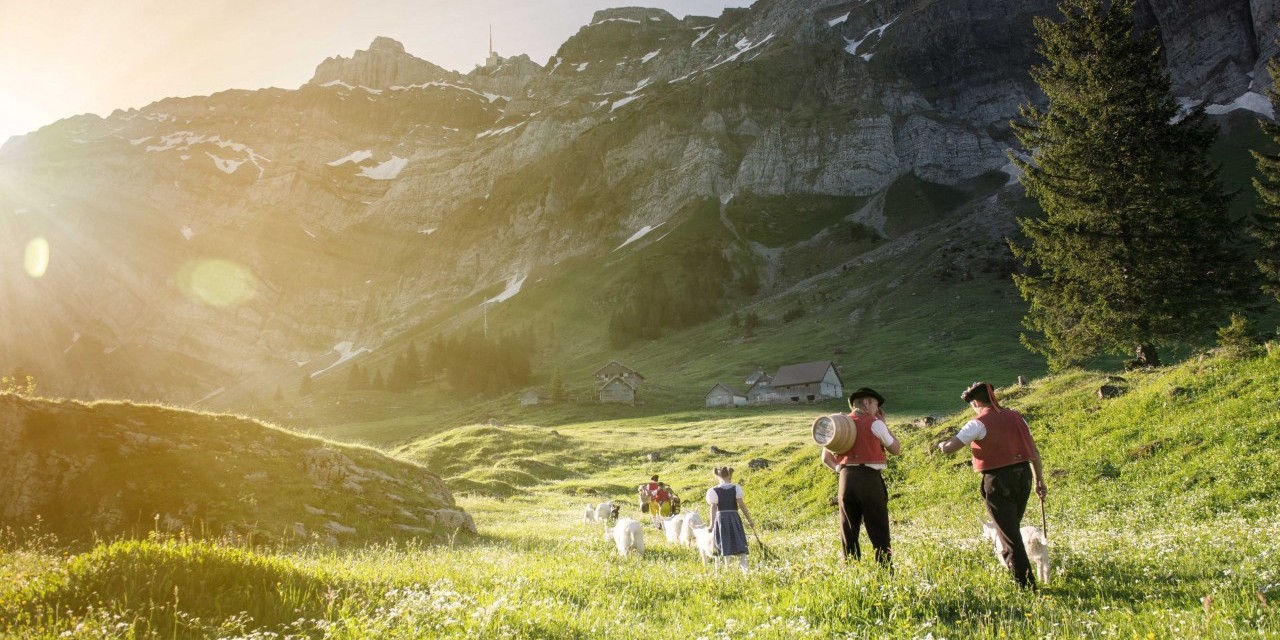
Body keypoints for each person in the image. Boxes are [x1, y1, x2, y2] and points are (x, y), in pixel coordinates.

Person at [937, 381, 1048, 589]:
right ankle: (1020, 571)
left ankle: (1025, 584)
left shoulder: (977, 423)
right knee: (1011, 529)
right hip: (1024, 476)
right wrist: (1039, 480)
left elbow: (951, 448)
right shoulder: (1018, 417)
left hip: (998, 481)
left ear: (976, 402)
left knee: (1009, 535)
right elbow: (1033, 451)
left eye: (972, 404)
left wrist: (941, 445)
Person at [820, 387, 902, 567]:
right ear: (866, 403)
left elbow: (825, 458)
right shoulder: (875, 423)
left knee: (848, 528)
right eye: (875, 405)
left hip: (845, 479)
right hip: (869, 478)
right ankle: (884, 572)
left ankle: (851, 570)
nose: (877, 410)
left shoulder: (837, 424)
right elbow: (895, 449)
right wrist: (883, 423)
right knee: (878, 527)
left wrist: (841, 470)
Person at [706, 466, 756, 571]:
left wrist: (711, 525)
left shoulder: (713, 490)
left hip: (721, 519)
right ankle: (744, 567)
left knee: (724, 542)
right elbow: (742, 505)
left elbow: (713, 507)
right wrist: (749, 520)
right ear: (730, 475)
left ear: (717, 477)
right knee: (739, 540)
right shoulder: (736, 488)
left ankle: (726, 569)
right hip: (734, 517)